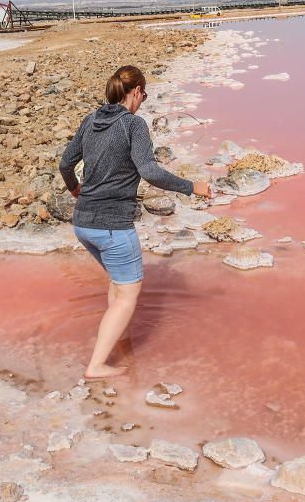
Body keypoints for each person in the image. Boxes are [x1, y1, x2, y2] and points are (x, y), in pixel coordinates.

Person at [59, 65, 212, 378]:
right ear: (135, 91)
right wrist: (191, 187)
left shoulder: (91, 121)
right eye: (144, 93)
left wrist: (76, 190)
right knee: (129, 295)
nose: (144, 99)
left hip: (83, 223)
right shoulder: (133, 125)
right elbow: (150, 171)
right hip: (112, 225)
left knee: (118, 283)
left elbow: (66, 163)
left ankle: (119, 337)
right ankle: (97, 365)